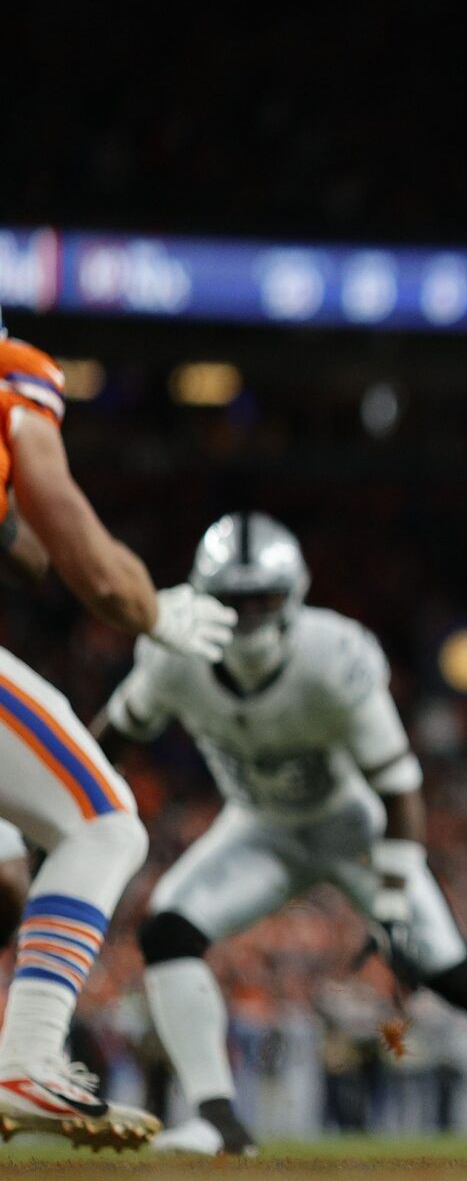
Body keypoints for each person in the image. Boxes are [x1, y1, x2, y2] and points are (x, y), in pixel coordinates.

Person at [93, 513, 467, 1156]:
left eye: (259, 600)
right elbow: (110, 739)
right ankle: (218, 1119)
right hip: (259, 827)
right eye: (230, 601)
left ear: (293, 598)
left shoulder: (333, 653)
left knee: (452, 973)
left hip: (352, 829)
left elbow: (399, 784)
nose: (244, 618)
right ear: (202, 598)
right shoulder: (171, 648)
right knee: (166, 931)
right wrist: (73, 810)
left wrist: (391, 894)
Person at [0, 325, 236, 1149]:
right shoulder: (14, 376)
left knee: (3, 878)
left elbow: (20, 556)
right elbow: (83, 560)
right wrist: (155, 610)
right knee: (103, 821)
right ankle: (27, 1057)